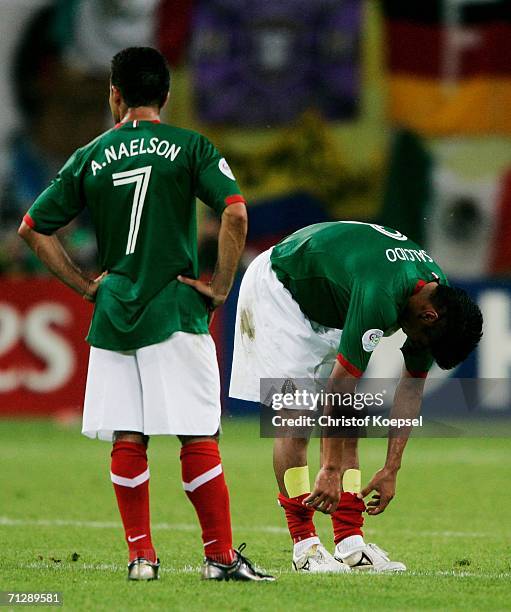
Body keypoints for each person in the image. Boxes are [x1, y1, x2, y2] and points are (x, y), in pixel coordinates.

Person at [18, 46, 273, 582]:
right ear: (167, 94)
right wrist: (221, 286)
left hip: (115, 313)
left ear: (115, 94)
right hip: (174, 308)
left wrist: (87, 286)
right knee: (198, 436)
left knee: (128, 437)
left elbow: (33, 229)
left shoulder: (89, 154)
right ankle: (220, 559)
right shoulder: (191, 147)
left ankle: (141, 558)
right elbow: (235, 215)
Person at [229, 221, 483, 573]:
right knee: (297, 416)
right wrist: (330, 469)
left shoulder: (440, 302)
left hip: (329, 296)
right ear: (428, 317)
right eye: (423, 343)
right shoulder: (382, 292)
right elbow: (340, 385)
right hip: (280, 288)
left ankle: (350, 544)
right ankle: (305, 546)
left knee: (349, 418)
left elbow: (410, 388)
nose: (416, 349)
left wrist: (391, 467)